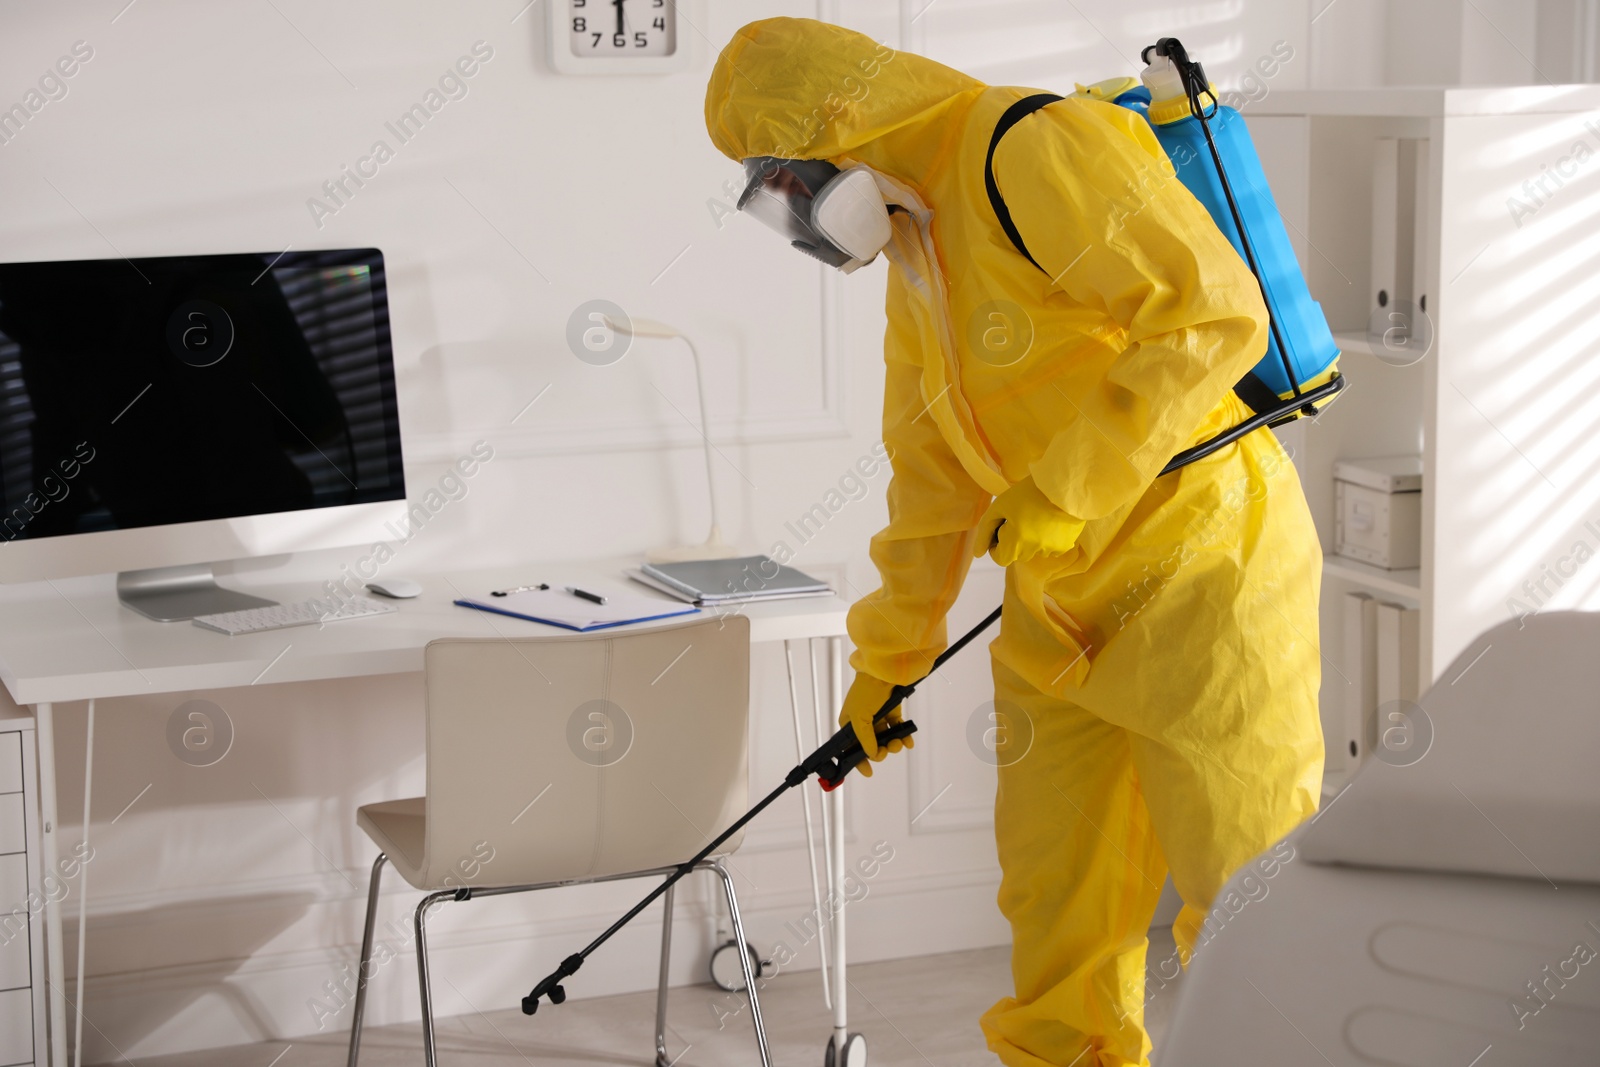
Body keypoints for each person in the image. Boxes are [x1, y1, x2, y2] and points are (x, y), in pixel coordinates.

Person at [706, 18, 1324, 1067]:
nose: (796, 211)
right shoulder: (917, 240)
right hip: (1056, 602)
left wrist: (1070, 487)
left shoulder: (1029, 147)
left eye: (788, 177)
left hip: (1203, 571)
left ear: (843, 125)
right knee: (1056, 902)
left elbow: (1212, 318)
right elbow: (931, 473)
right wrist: (884, 661)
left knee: (1241, 883)